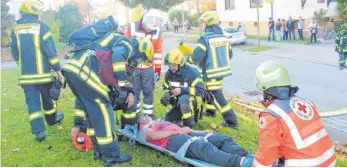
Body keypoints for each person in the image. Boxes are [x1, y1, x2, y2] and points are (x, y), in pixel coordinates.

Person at [62, 16, 133, 166]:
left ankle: (98, 151)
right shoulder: (125, 41)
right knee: (104, 113)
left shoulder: (104, 38)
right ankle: (112, 157)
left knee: (92, 113)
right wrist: (124, 87)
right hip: (85, 73)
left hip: (72, 69)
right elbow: (119, 57)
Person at [252, 60, 336, 167]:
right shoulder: (307, 103)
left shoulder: (272, 116)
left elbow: (265, 157)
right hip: (328, 162)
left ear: (266, 90)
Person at [10, 0, 64, 142]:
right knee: (47, 99)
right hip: (43, 75)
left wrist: (21, 64)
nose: (40, 15)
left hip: (26, 77)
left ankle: (39, 132)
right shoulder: (42, 27)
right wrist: (58, 71)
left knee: (32, 103)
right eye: (39, 12)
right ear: (34, 12)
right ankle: (52, 119)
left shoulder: (16, 28)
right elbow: (50, 52)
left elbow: (14, 51)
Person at [137, 115, 254, 167]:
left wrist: (202, 132)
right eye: (141, 117)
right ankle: (241, 163)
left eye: (145, 114)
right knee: (203, 147)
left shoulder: (161, 122)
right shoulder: (144, 128)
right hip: (171, 140)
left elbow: (186, 129)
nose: (143, 115)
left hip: (183, 133)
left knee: (222, 139)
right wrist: (175, 132)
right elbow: (154, 136)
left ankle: (249, 157)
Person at [187, 11, 238, 127]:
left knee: (216, 96)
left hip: (210, 73)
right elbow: (229, 54)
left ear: (209, 23)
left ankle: (231, 120)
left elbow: (196, 57)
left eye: (203, 22)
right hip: (221, 72)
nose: (201, 25)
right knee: (208, 92)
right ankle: (211, 111)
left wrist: (189, 59)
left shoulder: (205, 38)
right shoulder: (223, 37)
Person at [123, 10, 163, 119]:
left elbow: (158, 51)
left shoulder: (157, 30)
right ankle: (136, 116)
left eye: (152, 29)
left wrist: (157, 70)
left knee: (148, 92)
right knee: (134, 92)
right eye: (148, 28)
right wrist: (126, 68)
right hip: (133, 68)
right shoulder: (131, 27)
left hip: (148, 68)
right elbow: (124, 47)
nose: (150, 30)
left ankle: (148, 115)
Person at [161, 49, 205, 128]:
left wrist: (182, 90)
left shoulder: (192, 73)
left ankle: (189, 123)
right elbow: (167, 88)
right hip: (179, 101)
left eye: (173, 65)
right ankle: (178, 118)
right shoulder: (169, 74)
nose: (171, 68)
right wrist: (167, 95)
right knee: (168, 120)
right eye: (169, 66)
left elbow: (200, 91)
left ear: (180, 64)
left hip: (194, 99)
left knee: (184, 99)